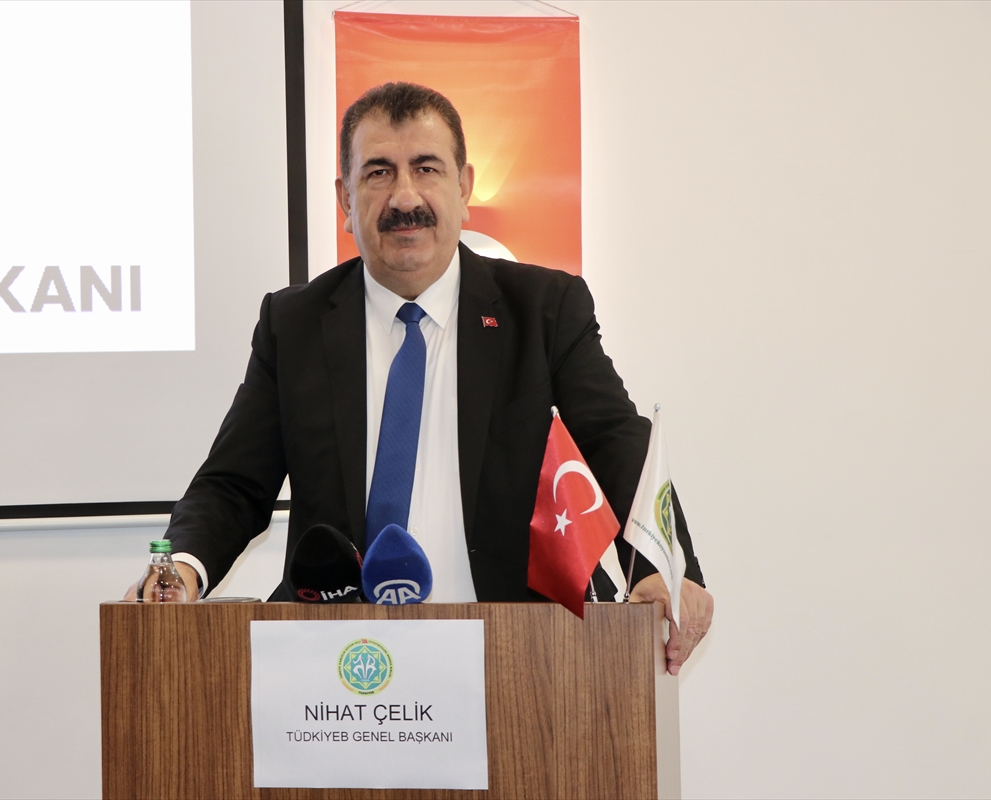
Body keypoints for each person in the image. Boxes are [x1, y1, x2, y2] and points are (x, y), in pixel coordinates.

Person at [127, 82, 713, 675]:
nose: (404, 197)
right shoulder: (294, 324)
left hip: (517, 655)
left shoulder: (543, 309)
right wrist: (181, 569)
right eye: (378, 172)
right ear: (345, 198)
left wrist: (667, 570)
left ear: (464, 187)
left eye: (426, 168)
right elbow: (234, 484)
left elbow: (615, 439)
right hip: (337, 666)